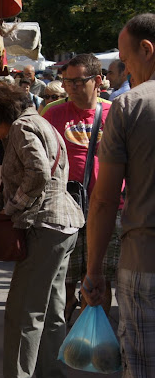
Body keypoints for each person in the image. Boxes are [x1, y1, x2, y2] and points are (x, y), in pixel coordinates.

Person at [0, 85, 84, 378]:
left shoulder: (21, 127)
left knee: (23, 312)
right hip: (63, 225)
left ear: (0, 115)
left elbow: (37, 172)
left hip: (44, 227)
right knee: (51, 313)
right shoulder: (43, 122)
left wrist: (11, 208)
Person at [81, 13, 155, 378]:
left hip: (145, 264)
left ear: (147, 51)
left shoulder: (131, 106)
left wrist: (93, 272)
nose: (124, 72)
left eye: (125, 62)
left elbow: (105, 199)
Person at [42, 53, 119, 322]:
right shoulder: (53, 114)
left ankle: (89, 342)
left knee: (100, 280)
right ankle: (61, 341)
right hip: (67, 207)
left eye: (77, 81)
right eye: (66, 81)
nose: (70, 87)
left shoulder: (116, 112)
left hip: (108, 208)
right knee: (65, 278)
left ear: (98, 80)